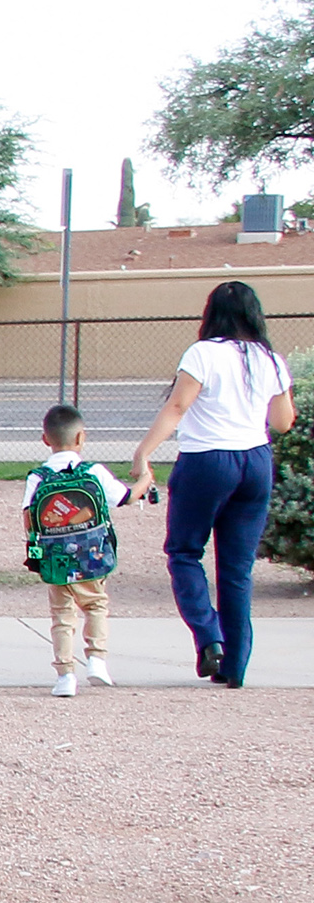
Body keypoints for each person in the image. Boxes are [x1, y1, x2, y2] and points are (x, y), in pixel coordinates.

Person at [128, 280, 297, 689]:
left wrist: (143, 453)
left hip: (206, 460)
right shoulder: (270, 359)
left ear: (211, 313)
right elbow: (282, 422)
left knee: (185, 551)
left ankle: (209, 637)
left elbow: (179, 405)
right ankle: (234, 668)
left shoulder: (203, 353)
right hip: (255, 460)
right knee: (236, 571)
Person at [25, 404, 132, 698]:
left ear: (45, 439)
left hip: (55, 559)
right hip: (92, 555)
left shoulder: (37, 478)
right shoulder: (94, 471)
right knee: (95, 604)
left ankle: (65, 676)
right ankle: (97, 660)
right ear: (81, 437)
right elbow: (124, 497)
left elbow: (28, 516)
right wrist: (146, 481)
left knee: (61, 615)